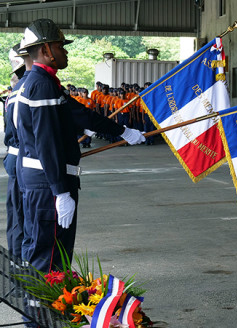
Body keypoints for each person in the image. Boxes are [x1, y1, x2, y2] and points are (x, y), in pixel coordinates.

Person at [14, 19, 147, 273]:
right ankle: (40, 311)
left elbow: (81, 115)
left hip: (42, 182)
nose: (65, 51)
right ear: (45, 50)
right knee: (48, 257)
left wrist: (124, 131)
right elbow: (46, 143)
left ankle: (46, 311)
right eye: (60, 46)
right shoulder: (41, 85)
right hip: (47, 184)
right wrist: (60, 191)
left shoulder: (45, 82)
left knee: (51, 254)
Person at [4, 43, 31, 262]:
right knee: (22, 215)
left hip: (14, 157)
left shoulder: (16, 90)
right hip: (23, 157)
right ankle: (20, 261)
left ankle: (17, 259)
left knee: (16, 213)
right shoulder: (26, 87)